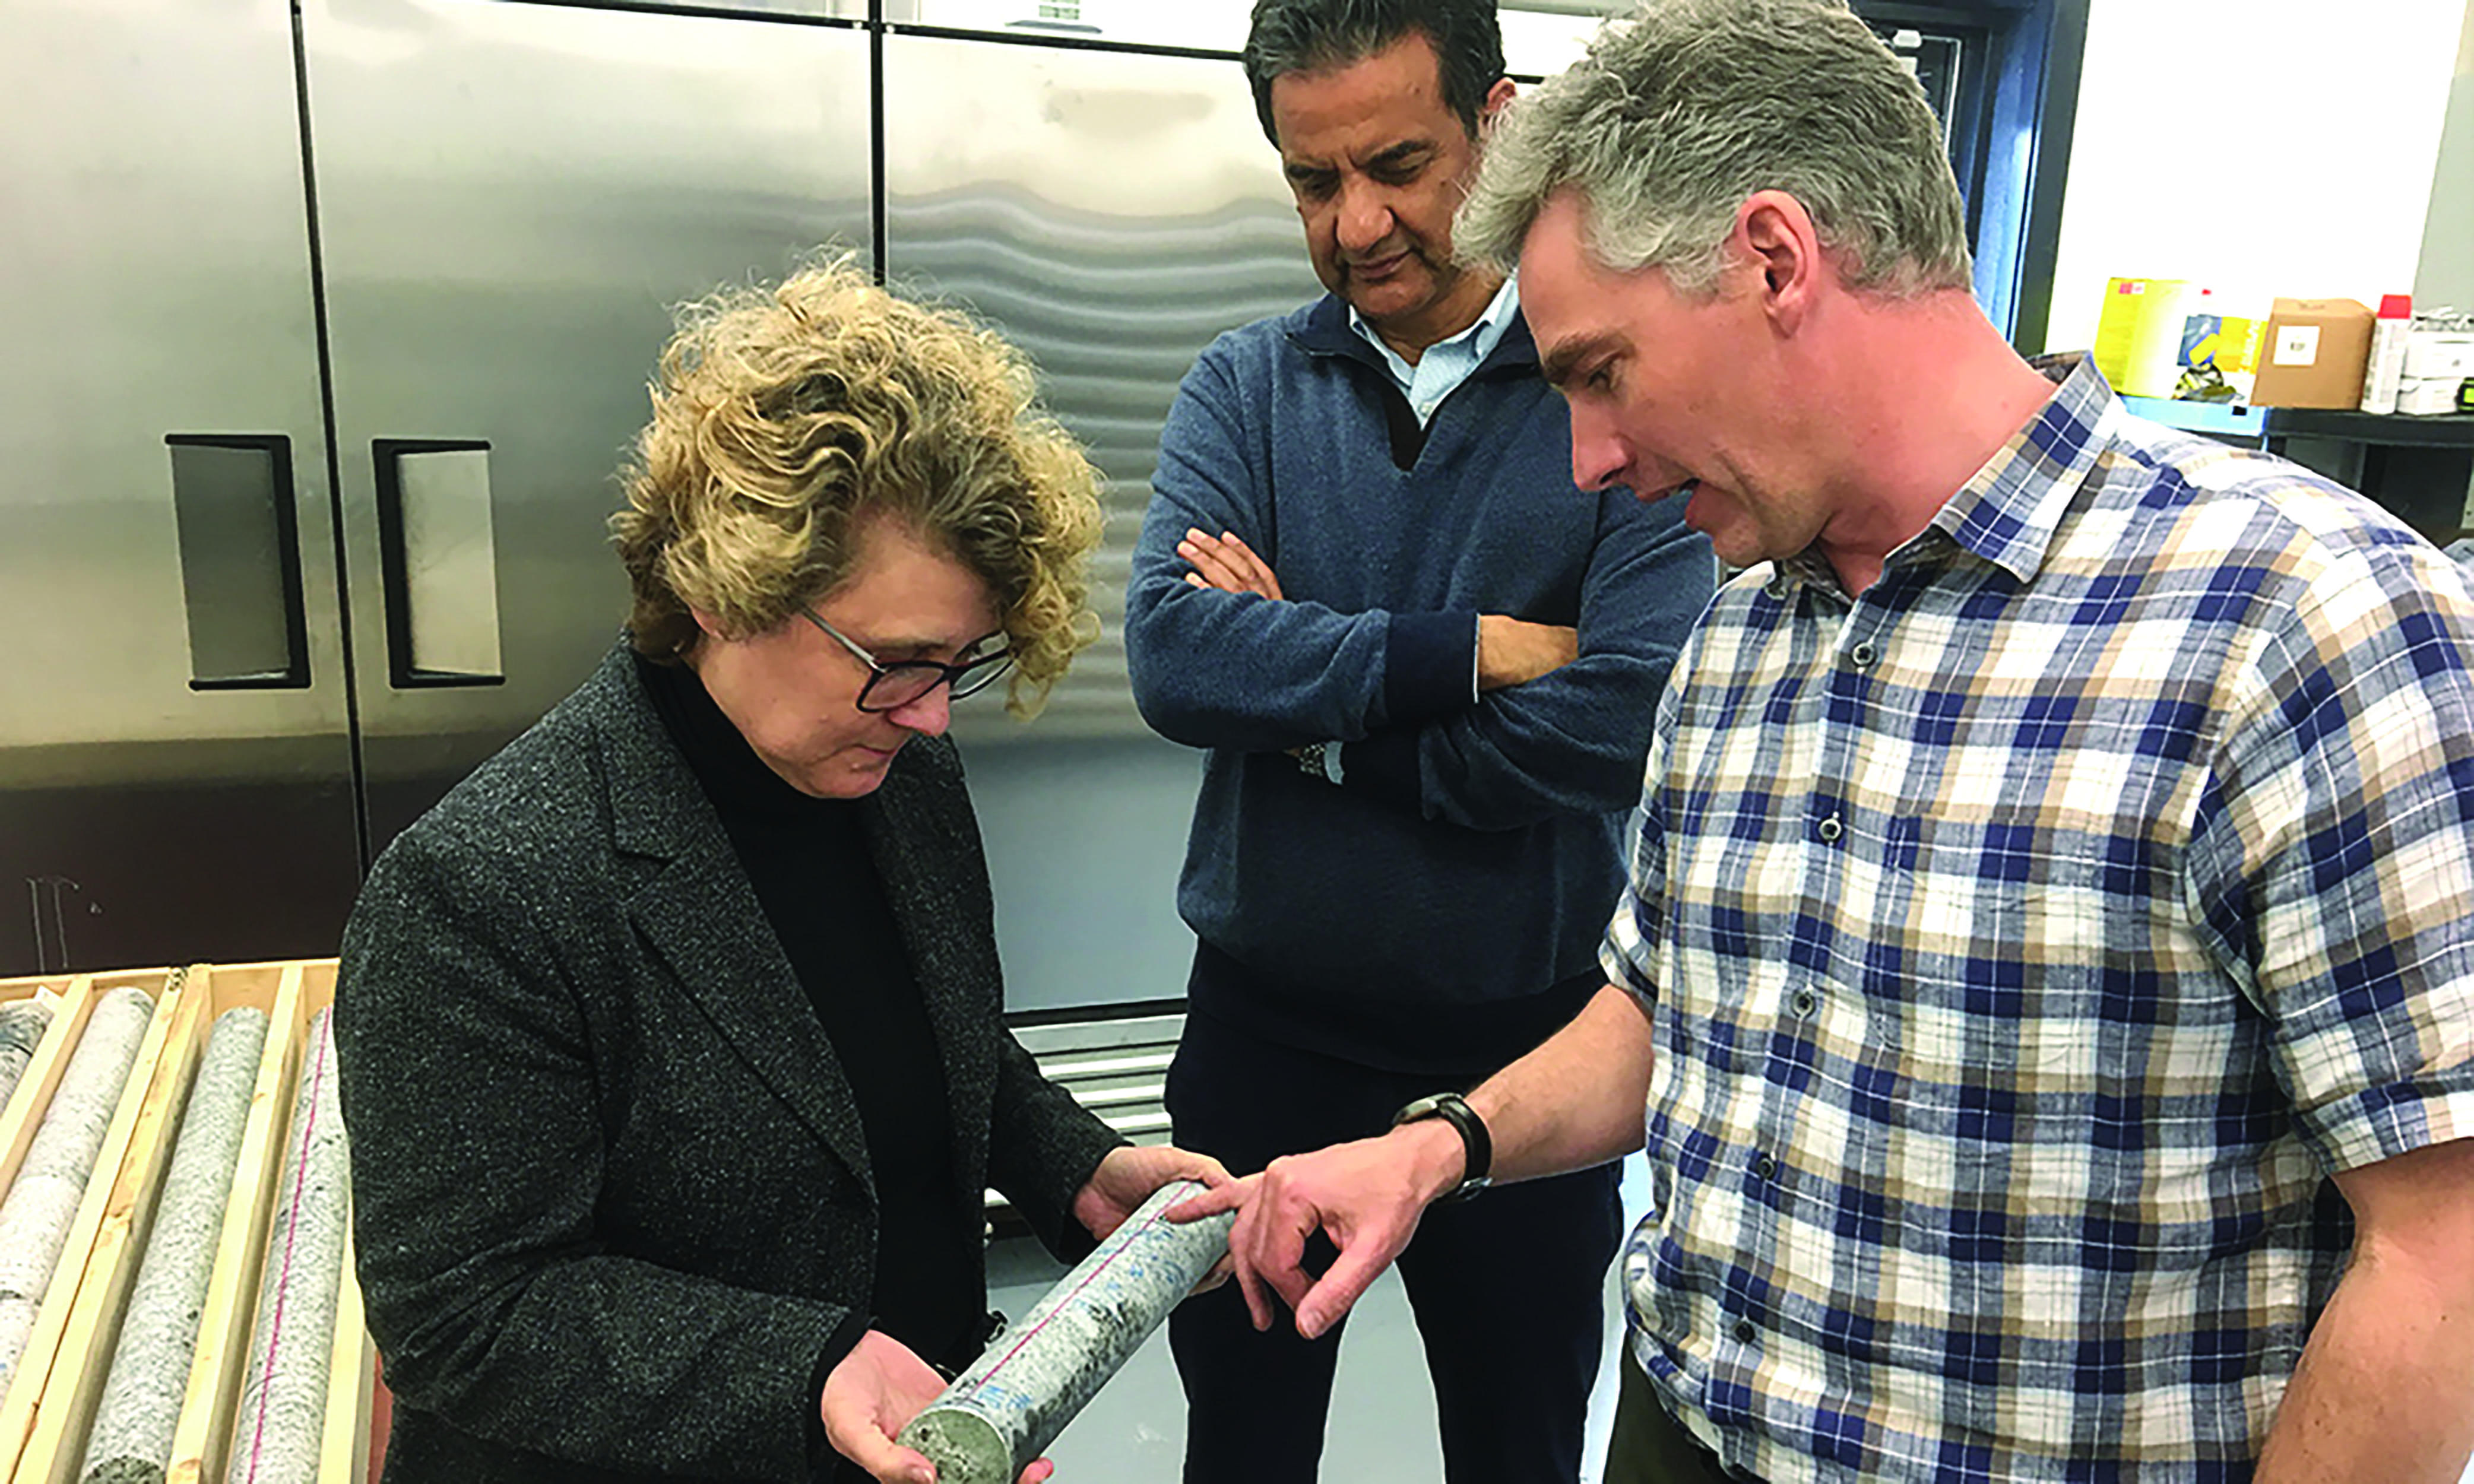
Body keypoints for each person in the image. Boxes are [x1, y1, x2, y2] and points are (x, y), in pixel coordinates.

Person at [1185, 1, 2474, 1479]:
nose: (1588, 459)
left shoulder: (2299, 618)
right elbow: (1667, 1009)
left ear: (1775, 259)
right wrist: (1439, 1144)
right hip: (1685, 1427)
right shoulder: (1740, 636)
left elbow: (2437, 1251)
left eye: (1600, 373)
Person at [334, 258, 1227, 1484]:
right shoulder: (484, 890)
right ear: (720, 585)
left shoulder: (898, 778)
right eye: (899, 660)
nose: (931, 716)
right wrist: (806, 1369)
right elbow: (465, 1315)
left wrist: (1074, 1166)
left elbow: (935, 1042)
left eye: (957, 663)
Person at [1122, 1, 1715, 1477]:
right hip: (1262, 1038)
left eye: (1397, 162)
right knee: (1242, 1444)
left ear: (1498, 123)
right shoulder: (1246, 385)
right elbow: (1177, 659)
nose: (1357, 222)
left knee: (1515, 1444)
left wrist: (1313, 717)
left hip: (1525, 1060)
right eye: (1313, 183)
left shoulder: (1605, 388)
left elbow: (1619, 716)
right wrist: (1468, 652)